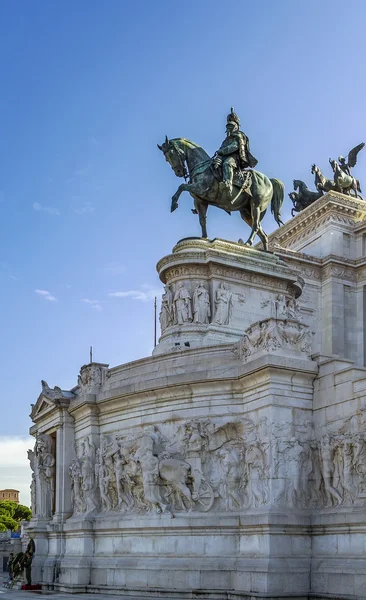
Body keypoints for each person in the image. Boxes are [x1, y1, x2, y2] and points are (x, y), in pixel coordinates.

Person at [212, 108, 258, 196]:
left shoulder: (239, 136)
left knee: (227, 163)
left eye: (231, 127)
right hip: (224, 156)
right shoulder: (226, 139)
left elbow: (235, 147)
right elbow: (222, 148)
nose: (229, 129)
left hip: (235, 158)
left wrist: (221, 151)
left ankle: (227, 184)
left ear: (235, 127)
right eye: (228, 127)